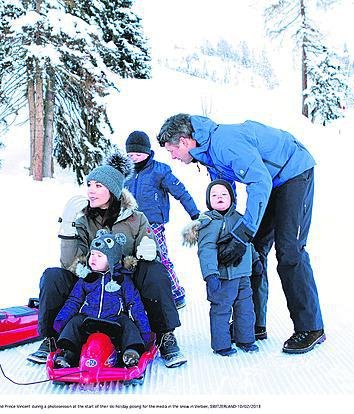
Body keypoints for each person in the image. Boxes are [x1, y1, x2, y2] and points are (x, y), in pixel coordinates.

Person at [157, 113, 325, 354]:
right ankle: (253, 323)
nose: (172, 156)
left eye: (172, 150)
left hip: (294, 172)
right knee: (252, 251)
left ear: (184, 141)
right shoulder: (207, 154)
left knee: (290, 250)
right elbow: (225, 194)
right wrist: (220, 228)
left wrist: (244, 231)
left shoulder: (225, 143)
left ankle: (311, 327)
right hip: (271, 180)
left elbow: (259, 181)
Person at [27, 151, 186, 368]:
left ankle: (165, 335)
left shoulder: (136, 219)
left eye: (98, 185)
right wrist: (67, 229)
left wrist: (150, 251)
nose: (91, 190)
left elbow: (151, 254)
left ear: (112, 190)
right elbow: (71, 264)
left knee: (156, 272)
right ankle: (51, 338)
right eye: (89, 184)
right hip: (92, 281)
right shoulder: (84, 220)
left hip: (126, 281)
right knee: (53, 276)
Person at [52, 230, 151, 368]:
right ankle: (68, 354)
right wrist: (61, 320)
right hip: (89, 320)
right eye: (92, 254)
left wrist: (144, 331)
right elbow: (74, 301)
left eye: (99, 255)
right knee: (75, 322)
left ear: (112, 259)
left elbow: (134, 304)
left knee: (128, 324)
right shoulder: (86, 278)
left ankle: (131, 352)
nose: (93, 258)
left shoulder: (122, 280)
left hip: (114, 321)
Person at [124, 131, 200, 309]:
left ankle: (176, 293)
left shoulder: (159, 171)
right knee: (131, 258)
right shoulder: (125, 173)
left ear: (147, 152)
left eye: (138, 154)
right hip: (129, 222)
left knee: (160, 256)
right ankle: (137, 293)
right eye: (130, 155)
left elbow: (181, 192)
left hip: (152, 223)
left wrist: (195, 214)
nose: (134, 158)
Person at [183, 180, 259, 356]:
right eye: (214, 195)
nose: (219, 197)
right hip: (222, 277)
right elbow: (206, 250)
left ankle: (246, 339)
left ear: (231, 198)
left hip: (243, 276)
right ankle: (221, 345)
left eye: (224, 194)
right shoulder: (208, 223)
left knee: (246, 308)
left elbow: (247, 243)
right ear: (209, 200)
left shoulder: (240, 218)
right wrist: (210, 274)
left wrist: (255, 261)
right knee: (221, 310)